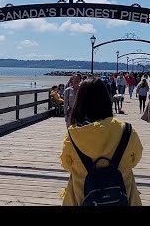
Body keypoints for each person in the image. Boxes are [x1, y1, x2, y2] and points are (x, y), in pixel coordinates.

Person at [59, 77, 143, 206]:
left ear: (79, 102)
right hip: (123, 196)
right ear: (106, 99)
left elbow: (66, 164)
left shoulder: (73, 134)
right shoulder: (126, 130)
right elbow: (135, 159)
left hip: (82, 197)